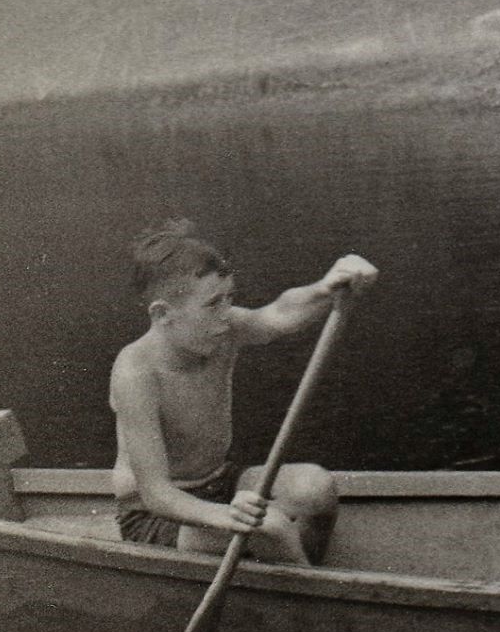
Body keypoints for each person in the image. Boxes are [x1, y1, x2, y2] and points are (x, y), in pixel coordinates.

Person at [109, 219, 376, 564]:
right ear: (163, 314)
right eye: (213, 304)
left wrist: (327, 287)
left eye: (229, 298)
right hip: (157, 515)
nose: (227, 314)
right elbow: (157, 493)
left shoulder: (220, 328)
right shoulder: (136, 372)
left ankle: (300, 575)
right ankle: (305, 598)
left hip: (220, 484)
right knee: (274, 528)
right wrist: (225, 517)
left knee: (317, 489)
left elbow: (278, 315)